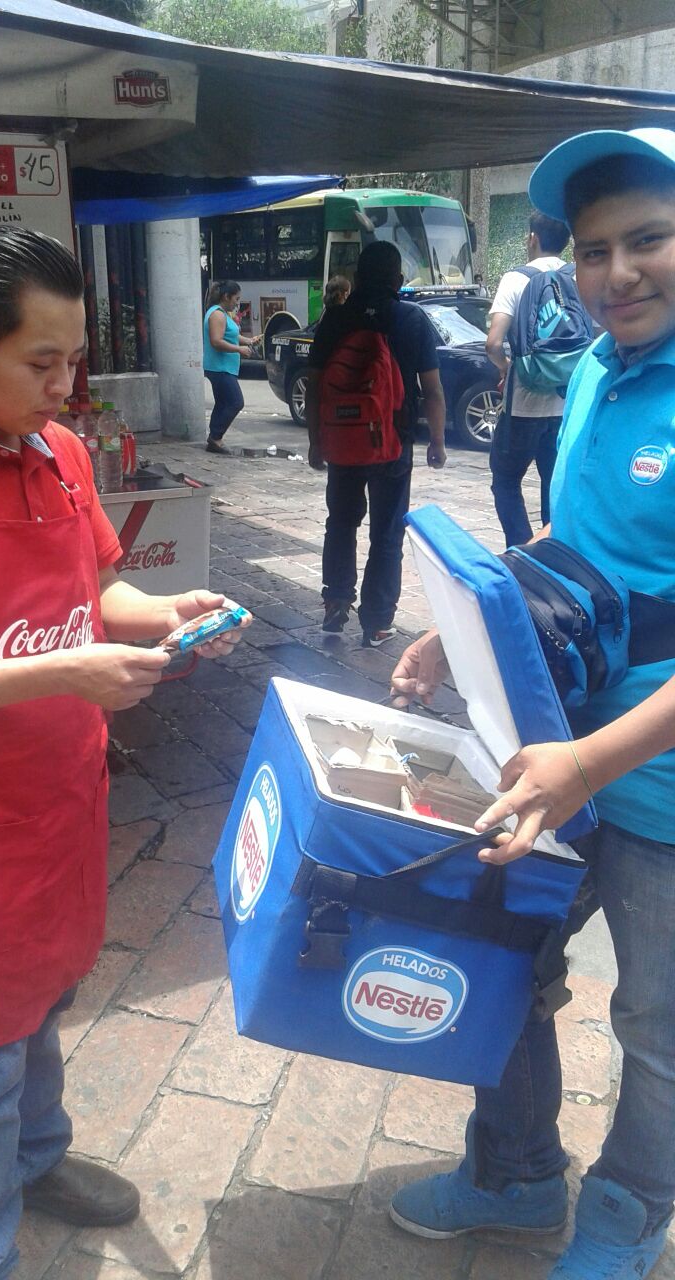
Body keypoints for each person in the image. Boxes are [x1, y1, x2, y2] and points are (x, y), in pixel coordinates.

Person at [0, 226, 250, 1280]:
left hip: (58, 805)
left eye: (75, 360)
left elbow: (98, 588)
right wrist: (65, 672)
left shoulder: (57, 452)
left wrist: (164, 613)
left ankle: (38, 1157)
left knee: (47, 997)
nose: (66, 387)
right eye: (41, 362)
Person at [388, 127, 675, 1280]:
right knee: (500, 955)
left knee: (657, 1026)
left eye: (649, 240)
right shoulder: (601, 364)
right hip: (554, 744)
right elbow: (573, 534)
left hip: (654, 786)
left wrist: (590, 765)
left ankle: (627, 1214)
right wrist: (460, 622)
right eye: (594, 250)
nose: (618, 273)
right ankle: (515, 1172)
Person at [306, 241, 446, 648]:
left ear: (357, 277)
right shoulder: (411, 319)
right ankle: (378, 623)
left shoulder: (335, 318)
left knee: (341, 522)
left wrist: (317, 441)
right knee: (387, 533)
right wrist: (437, 442)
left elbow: (315, 386)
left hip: (344, 441)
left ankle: (336, 603)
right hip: (393, 443)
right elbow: (433, 390)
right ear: (399, 280)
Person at [486, 212, 572, 546]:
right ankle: (553, 553)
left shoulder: (516, 279)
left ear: (532, 238)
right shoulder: (578, 277)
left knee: (506, 481)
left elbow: (493, 344)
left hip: (523, 405)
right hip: (565, 404)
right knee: (554, 486)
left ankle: (522, 552)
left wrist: (506, 367)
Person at [202, 279, 254, 455]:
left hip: (223, 367)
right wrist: (239, 349)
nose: (237, 303)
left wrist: (248, 341)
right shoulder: (217, 314)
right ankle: (216, 437)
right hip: (220, 367)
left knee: (223, 402)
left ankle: (214, 438)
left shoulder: (222, 313)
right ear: (226, 296)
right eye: (236, 299)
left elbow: (230, 335)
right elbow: (216, 341)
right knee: (235, 402)